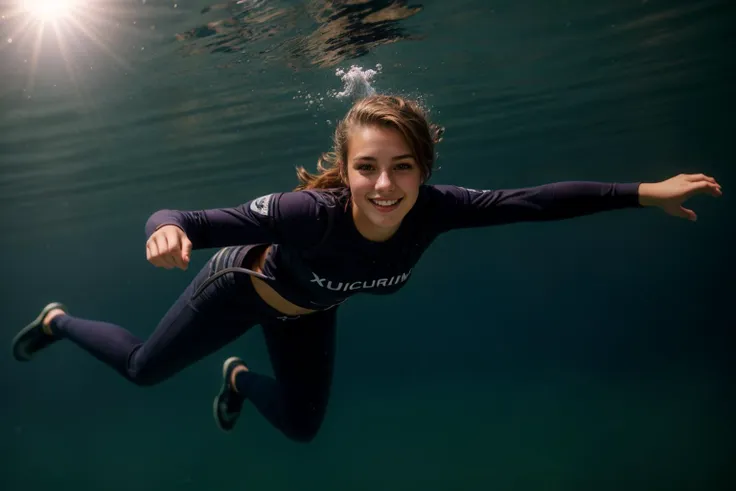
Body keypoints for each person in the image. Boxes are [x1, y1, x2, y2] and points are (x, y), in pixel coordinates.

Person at [11, 95, 722, 443]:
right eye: (368, 168)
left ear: (425, 171)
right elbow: (186, 217)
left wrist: (642, 192)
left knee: (301, 425)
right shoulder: (305, 213)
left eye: (402, 168)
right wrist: (164, 230)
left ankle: (236, 376)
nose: (385, 186)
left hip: (310, 309)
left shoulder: (437, 208)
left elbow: (535, 202)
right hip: (240, 287)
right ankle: (59, 319)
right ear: (346, 171)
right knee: (141, 369)